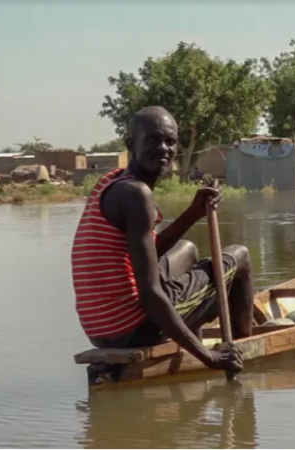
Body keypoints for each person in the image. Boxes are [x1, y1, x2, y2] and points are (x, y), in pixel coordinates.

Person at [71, 106, 253, 375]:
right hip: (132, 327)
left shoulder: (113, 181)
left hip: (101, 330)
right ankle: (241, 352)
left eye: (170, 141)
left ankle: (194, 342)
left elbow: (149, 255)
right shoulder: (137, 194)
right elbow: (150, 294)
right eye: (153, 140)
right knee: (241, 256)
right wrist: (211, 359)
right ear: (131, 144)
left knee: (188, 249)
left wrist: (192, 214)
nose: (165, 148)